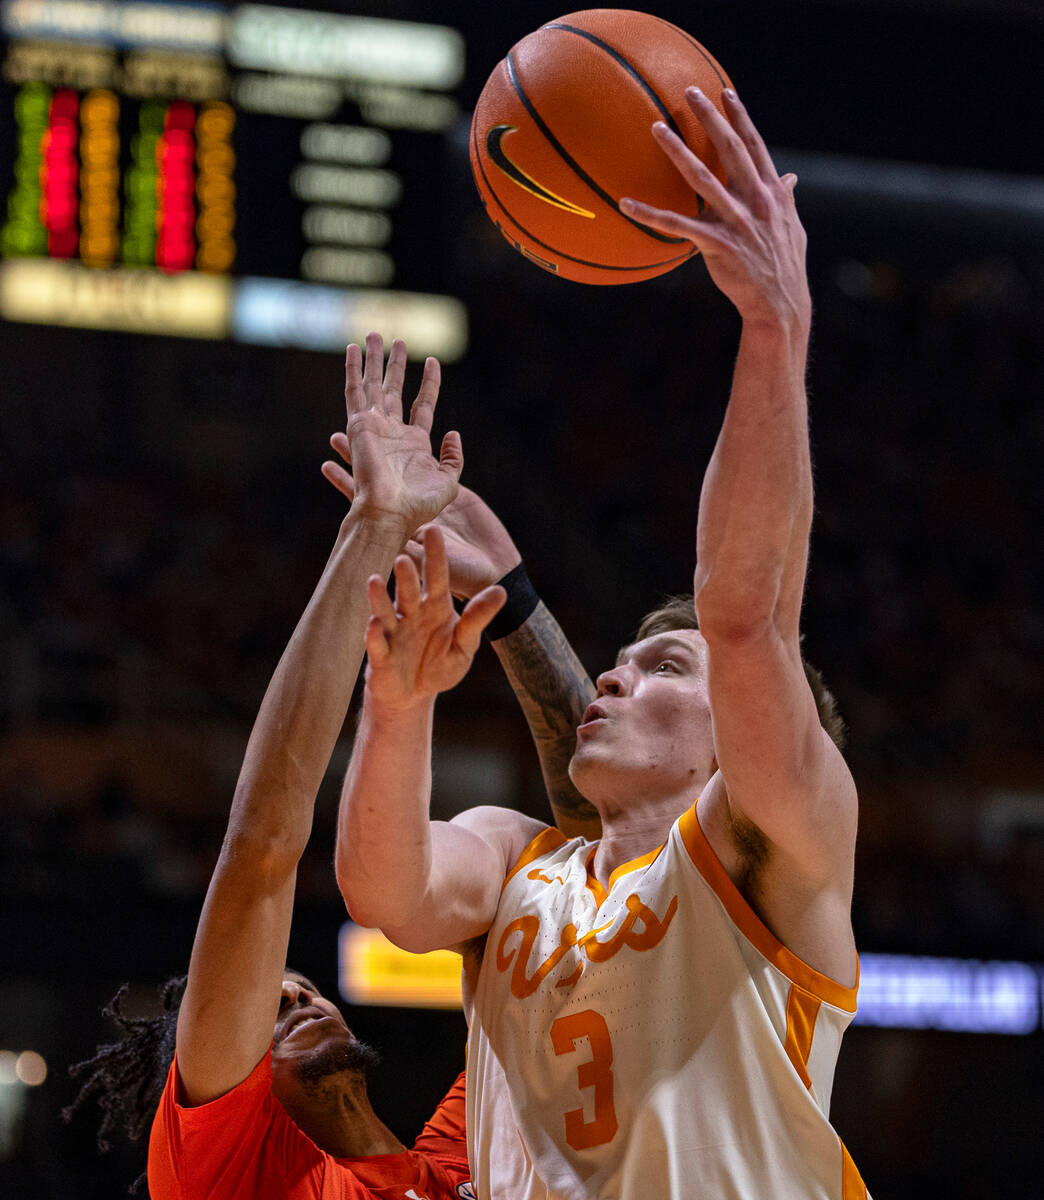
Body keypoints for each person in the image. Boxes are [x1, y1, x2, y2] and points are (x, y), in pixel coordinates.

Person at [335, 87, 871, 1200]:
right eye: (623, 660)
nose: (617, 671)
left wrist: (775, 330)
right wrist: (397, 704)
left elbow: (745, 615)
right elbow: (386, 892)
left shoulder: (773, 847)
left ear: (743, 738)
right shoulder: (518, 859)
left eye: (661, 667)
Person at [65, 335, 500, 1199]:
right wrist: (374, 529)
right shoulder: (226, 1170)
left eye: (296, 989)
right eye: (270, 1003)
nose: (297, 999)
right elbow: (263, 845)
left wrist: (514, 601)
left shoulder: (467, 1159)